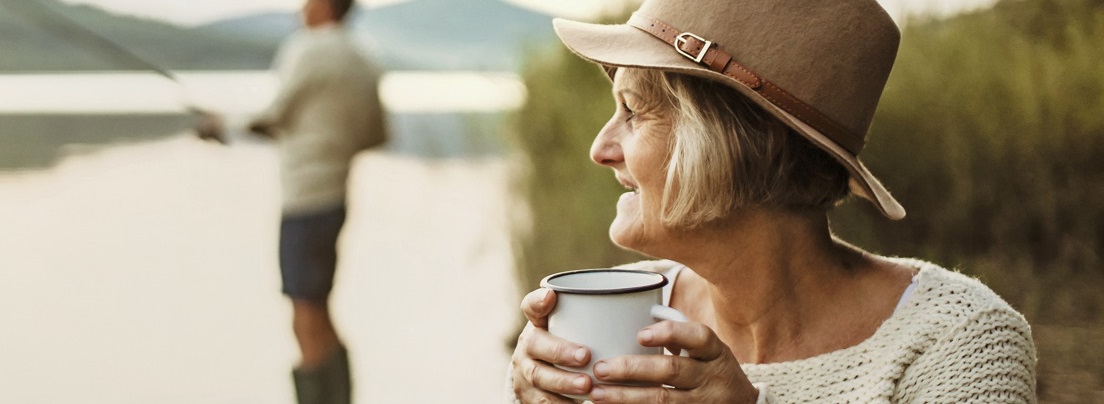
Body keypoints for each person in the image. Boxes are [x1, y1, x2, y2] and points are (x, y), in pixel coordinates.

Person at [508, 0, 1037, 402]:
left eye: (633, 112)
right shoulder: (625, 315)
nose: (599, 150)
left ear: (741, 145)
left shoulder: (959, 340)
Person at [233, 0, 386, 402]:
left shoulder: (307, 48)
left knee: (304, 315)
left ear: (324, 6)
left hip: (304, 200)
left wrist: (221, 125)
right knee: (319, 306)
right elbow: (376, 134)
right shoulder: (364, 59)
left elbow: (272, 115)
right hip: (336, 197)